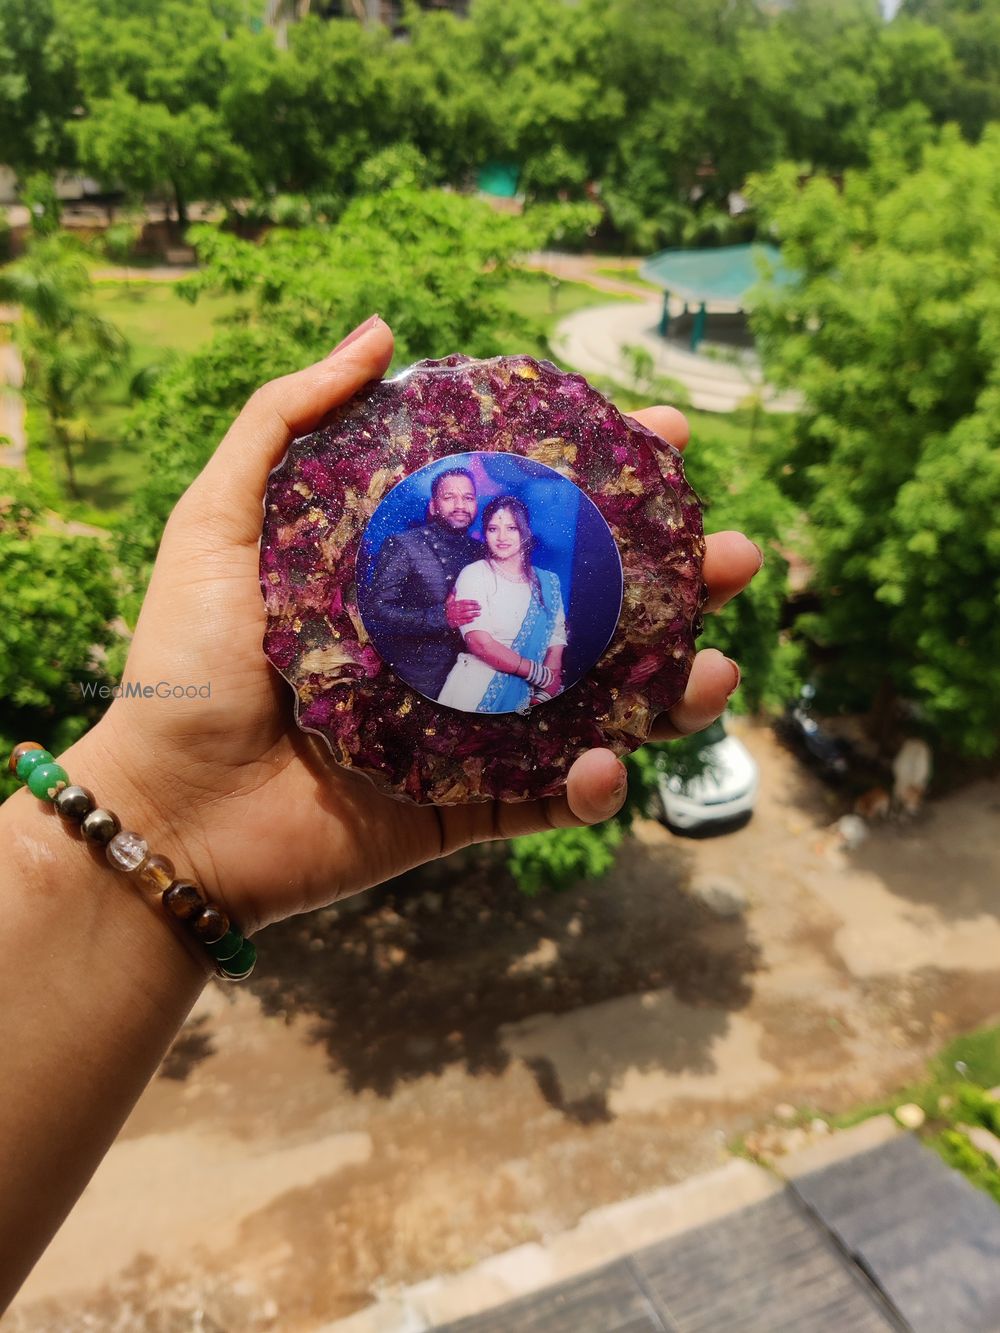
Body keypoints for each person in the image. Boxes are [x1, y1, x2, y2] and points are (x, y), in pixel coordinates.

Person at [0, 315, 761, 1310]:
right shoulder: (402, 549)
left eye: (482, 506)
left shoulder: (527, 564)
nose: (471, 512)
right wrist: (158, 792)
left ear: (507, 519)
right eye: (459, 503)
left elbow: (557, 628)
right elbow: (423, 628)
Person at [362, 466, 486, 699]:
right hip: (419, 675)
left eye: (468, 497)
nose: (460, 505)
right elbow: (375, 611)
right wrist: (441, 617)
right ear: (433, 506)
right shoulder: (405, 545)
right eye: (449, 497)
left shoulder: (482, 551)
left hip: (474, 673)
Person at [437, 495, 567, 713]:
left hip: (528, 694)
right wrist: (542, 676)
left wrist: (548, 687)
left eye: (512, 528)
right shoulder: (475, 574)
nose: (502, 537)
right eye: (492, 529)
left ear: (525, 531)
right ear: (485, 533)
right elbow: (480, 643)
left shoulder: (548, 582)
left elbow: (556, 636)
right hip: (475, 692)